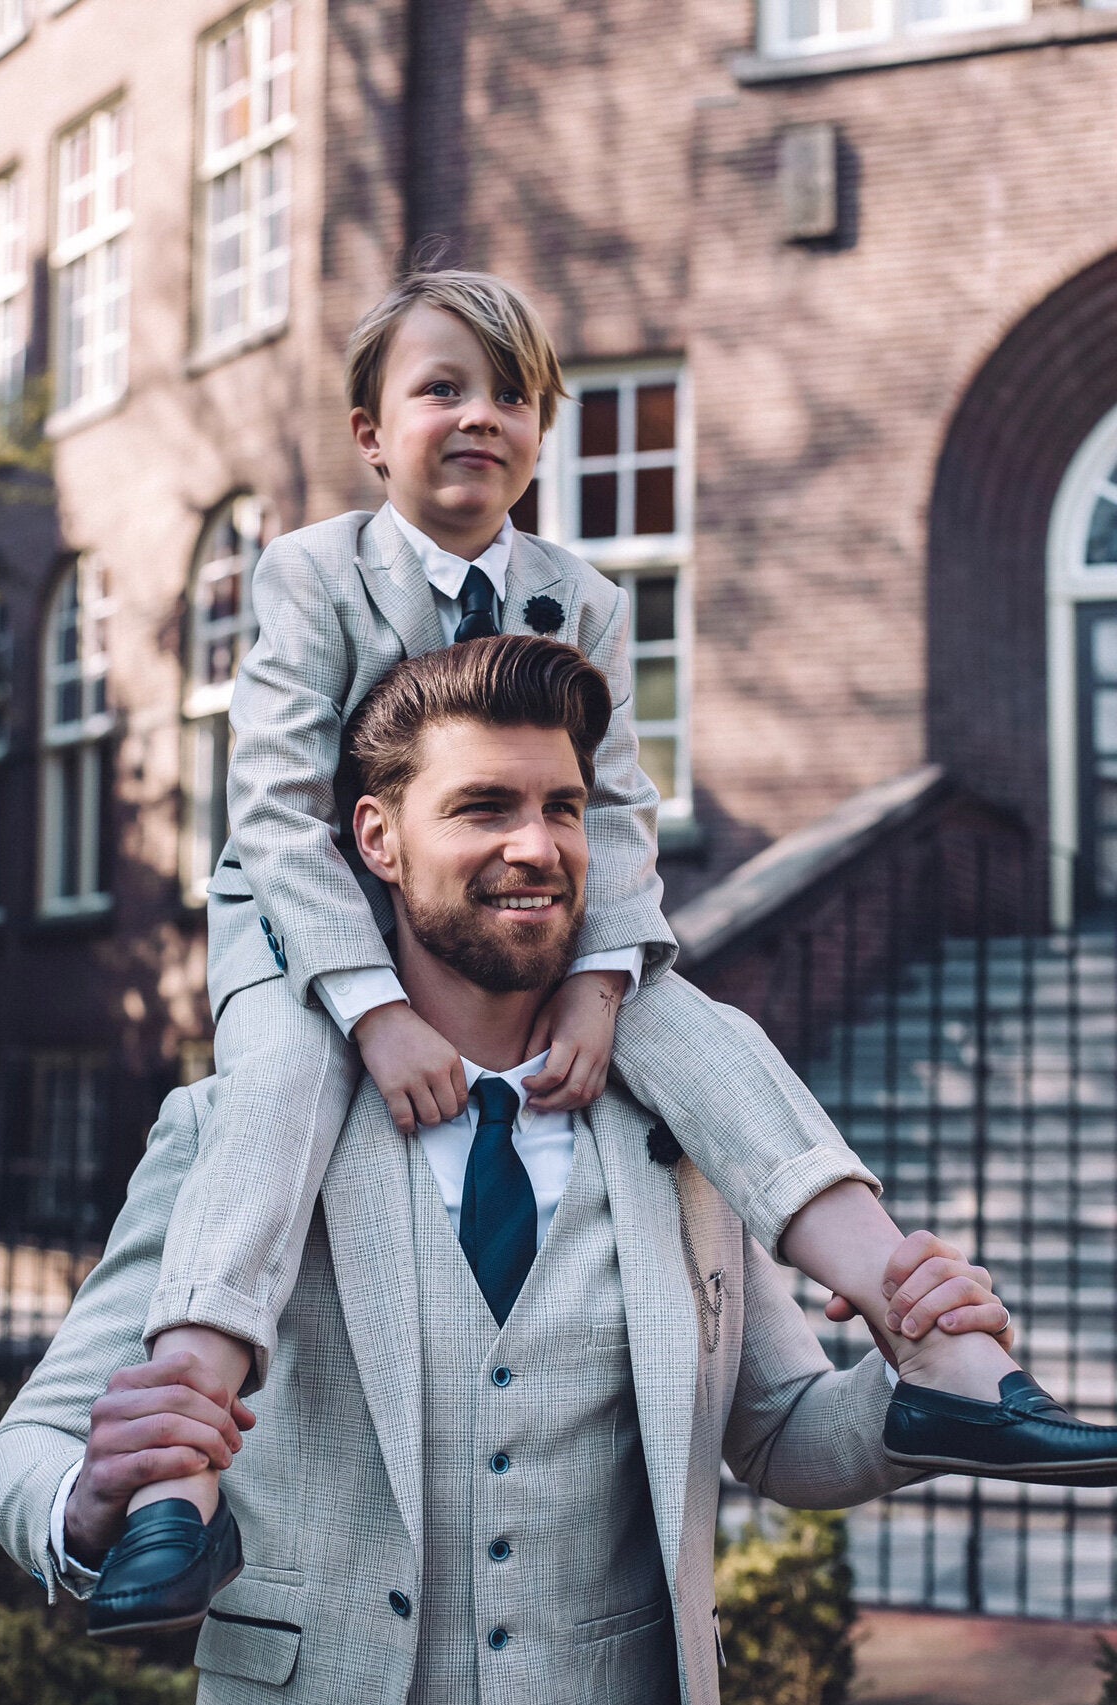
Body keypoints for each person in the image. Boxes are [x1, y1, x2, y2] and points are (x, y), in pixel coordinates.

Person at [106, 269, 1114, 1634]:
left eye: (512, 394)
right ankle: (180, 1482)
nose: (480, 416)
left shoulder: (576, 592)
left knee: (718, 1040)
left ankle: (936, 1341)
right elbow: (278, 816)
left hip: (529, 938)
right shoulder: (308, 573)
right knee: (275, 1096)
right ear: (369, 432)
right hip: (309, 937)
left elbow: (623, 812)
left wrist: (601, 979)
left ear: (542, 431)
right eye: (441, 388)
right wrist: (367, 1008)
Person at [0, 637, 1048, 1705]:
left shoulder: (678, 1134)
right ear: (378, 841)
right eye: (484, 806)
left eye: (563, 808)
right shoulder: (238, 1132)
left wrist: (906, 1377)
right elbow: (27, 1448)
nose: (535, 847)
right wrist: (89, 1505)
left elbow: (782, 1429)